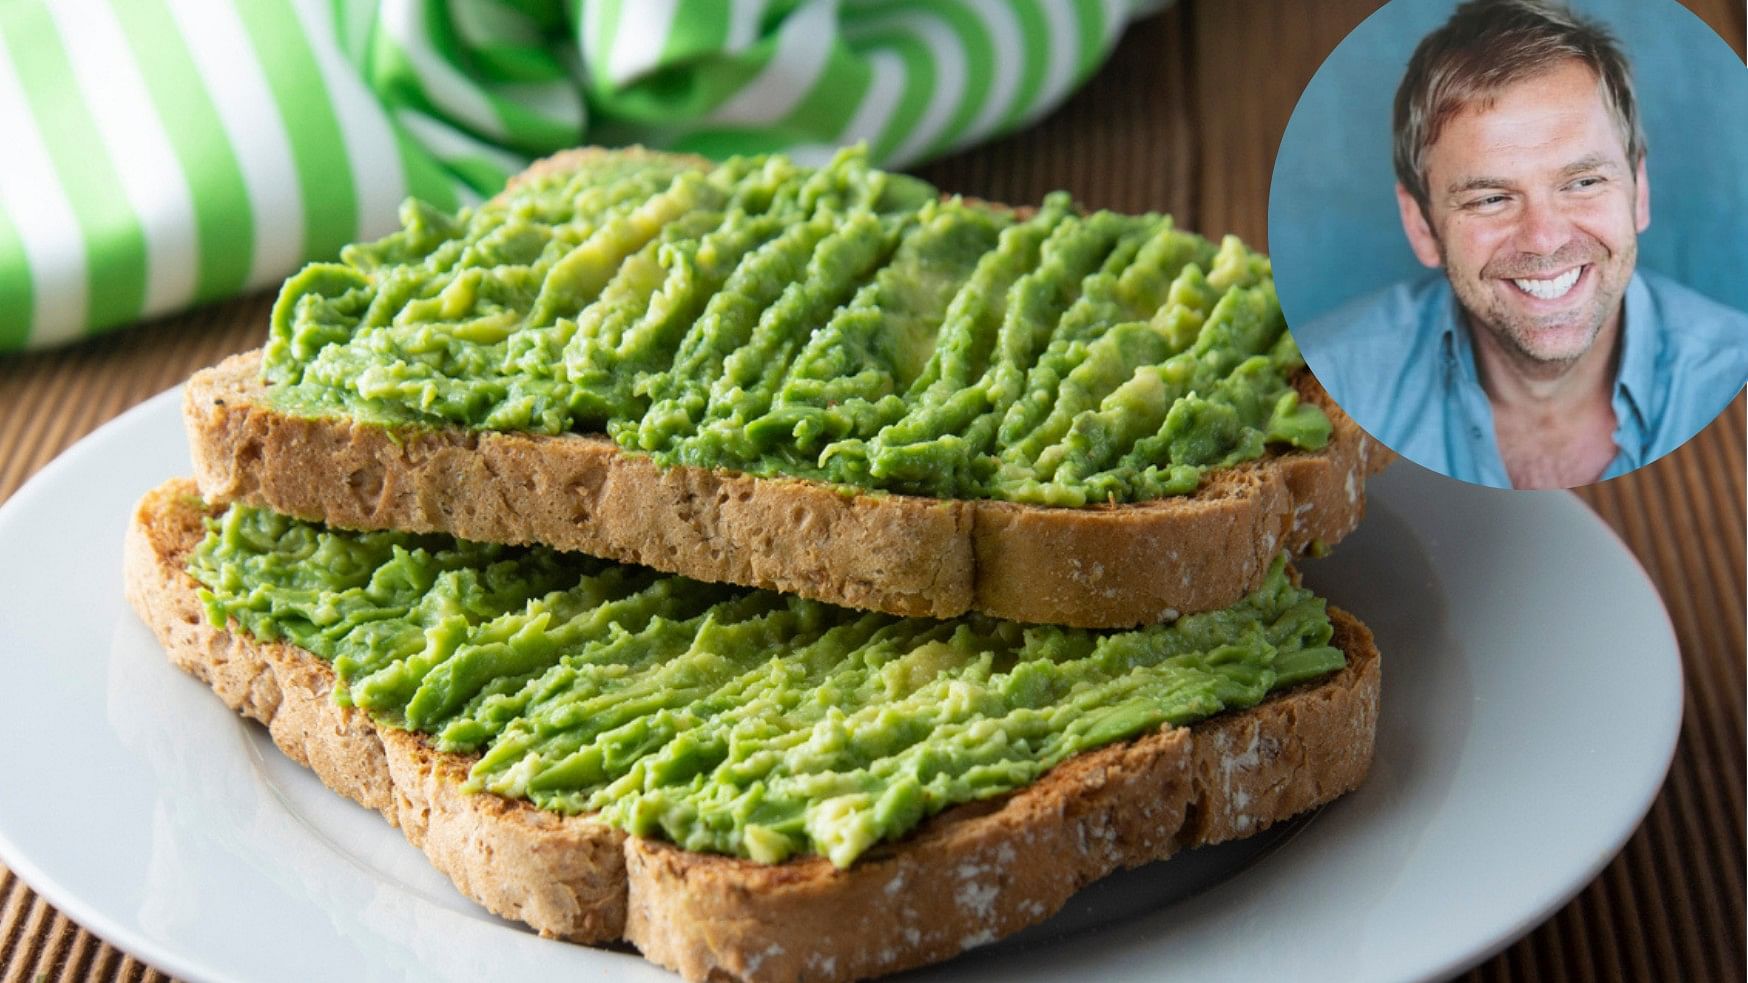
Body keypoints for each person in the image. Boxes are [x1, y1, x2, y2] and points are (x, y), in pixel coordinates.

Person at [1301, 0, 1747, 489]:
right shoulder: (1325, 389)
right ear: (1422, 225)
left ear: (1639, 191)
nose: (1545, 238)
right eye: (1492, 198)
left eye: (1582, 183)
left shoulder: (1733, 371)